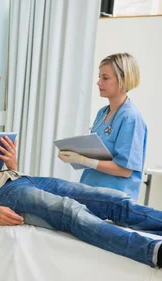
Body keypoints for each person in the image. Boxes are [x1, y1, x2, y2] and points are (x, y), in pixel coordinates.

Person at [0, 122, 162, 268]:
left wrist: (12, 163)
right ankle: (151, 250)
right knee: (69, 211)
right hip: (3, 196)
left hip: (22, 179)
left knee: (108, 198)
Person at [58, 53, 147, 200]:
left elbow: (125, 171)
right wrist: (74, 154)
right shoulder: (102, 113)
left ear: (123, 80)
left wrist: (83, 160)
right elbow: (98, 153)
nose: (99, 83)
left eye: (105, 78)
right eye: (99, 77)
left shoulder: (131, 118)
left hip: (114, 200)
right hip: (90, 191)